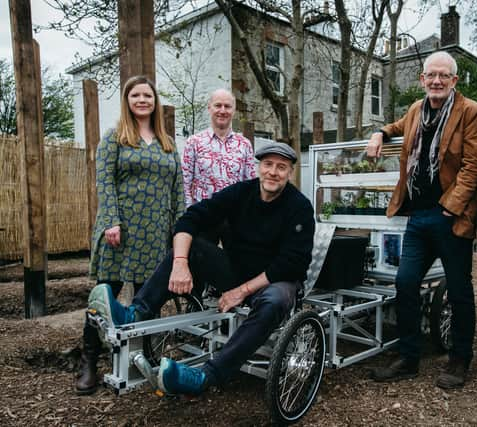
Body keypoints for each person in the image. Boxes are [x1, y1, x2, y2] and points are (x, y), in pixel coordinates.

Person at [86, 141, 315, 396]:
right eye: (268, 164)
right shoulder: (240, 193)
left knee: (274, 301)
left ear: (290, 173)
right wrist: (180, 264)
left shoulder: (299, 207)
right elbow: (191, 218)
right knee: (190, 247)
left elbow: (292, 263)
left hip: (274, 280)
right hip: (236, 271)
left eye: (281, 167)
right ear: (258, 167)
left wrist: (241, 292)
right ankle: (135, 314)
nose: (273, 172)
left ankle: (208, 375)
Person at [368, 51, 477, 389]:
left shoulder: (472, 113)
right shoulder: (415, 110)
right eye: (430, 75)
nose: (436, 81)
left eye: (443, 76)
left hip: (452, 218)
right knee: (405, 283)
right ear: (422, 80)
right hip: (417, 218)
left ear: (454, 81)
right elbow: (395, 127)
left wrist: (450, 208)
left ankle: (460, 358)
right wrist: (379, 132)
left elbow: (473, 166)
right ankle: (409, 357)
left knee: (459, 291)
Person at [75, 75, 184, 395]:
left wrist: (180, 228)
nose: (142, 100)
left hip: (154, 235)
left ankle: (143, 356)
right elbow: (104, 184)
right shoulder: (114, 139)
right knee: (104, 296)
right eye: (135, 95)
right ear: (128, 100)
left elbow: (178, 191)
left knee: (147, 300)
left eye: (147, 95)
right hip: (119, 233)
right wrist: (111, 221)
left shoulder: (167, 144)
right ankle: (89, 360)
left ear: (155, 101)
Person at [182, 89, 256, 207]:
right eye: (218, 105)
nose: (222, 110)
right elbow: (185, 184)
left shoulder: (244, 145)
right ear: (209, 108)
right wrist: (189, 216)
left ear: (234, 111)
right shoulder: (193, 142)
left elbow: (250, 186)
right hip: (202, 217)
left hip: (234, 218)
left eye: (227, 106)